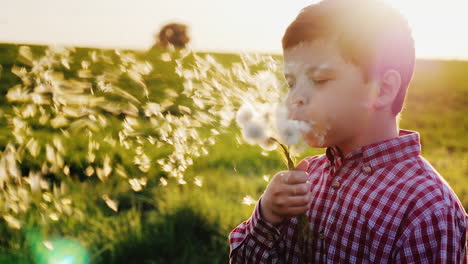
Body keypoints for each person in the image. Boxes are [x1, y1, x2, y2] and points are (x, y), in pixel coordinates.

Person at [229, 0, 468, 263]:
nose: (295, 98)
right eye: (291, 83)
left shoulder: (426, 209)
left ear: (383, 90)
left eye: (319, 80)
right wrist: (268, 216)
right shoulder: (307, 180)